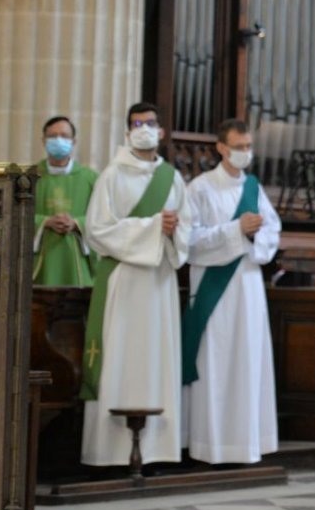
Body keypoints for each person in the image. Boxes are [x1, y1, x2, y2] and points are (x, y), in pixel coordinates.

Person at [81, 102, 190, 467]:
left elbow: (187, 229)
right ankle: (109, 454)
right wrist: (152, 227)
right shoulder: (112, 176)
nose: (143, 128)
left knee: (157, 357)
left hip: (160, 281)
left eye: (150, 123)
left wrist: (174, 232)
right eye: (136, 123)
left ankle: (158, 452)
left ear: (161, 131)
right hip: (125, 280)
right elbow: (97, 230)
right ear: (128, 132)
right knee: (121, 357)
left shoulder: (173, 178)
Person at [183, 119, 281, 464]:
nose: (245, 153)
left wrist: (254, 235)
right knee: (215, 359)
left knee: (247, 358)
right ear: (220, 148)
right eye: (238, 146)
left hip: (249, 286)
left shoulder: (254, 188)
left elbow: (273, 231)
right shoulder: (200, 188)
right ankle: (210, 446)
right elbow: (190, 241)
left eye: (248, 146)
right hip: (214, 289)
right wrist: (236, 230)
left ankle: (246, 443)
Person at [33, 115, 99, 286]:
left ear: (73, 141)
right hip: (40, 260)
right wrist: (45, 221)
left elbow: (103, 218)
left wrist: (77, 223)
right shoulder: (29, 178)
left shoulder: (90, 178)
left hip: (77, 260)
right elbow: (15, 217)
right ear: (43, 140)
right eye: (53, 136)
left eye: (64, 136)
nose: (58, 140)